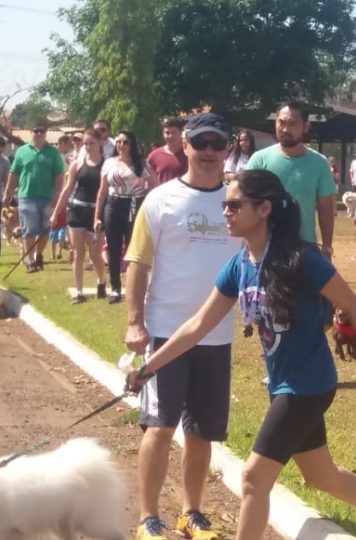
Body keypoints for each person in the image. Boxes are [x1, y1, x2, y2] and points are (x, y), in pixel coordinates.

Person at [125, 169, 356, 540]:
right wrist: (149, 367)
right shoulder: (240, 265)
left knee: (253, 479)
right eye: (224, 205)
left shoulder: (302, 261)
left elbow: (354, 309)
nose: (225, 212)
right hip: (283, 384)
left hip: (308, 385)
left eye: (233, 205)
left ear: (263, 209)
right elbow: (198, 325)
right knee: (320, 476)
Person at [123, 113, 242, 540]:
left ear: (227, 149)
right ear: (185, 146)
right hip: (165, 332)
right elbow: (137, 263)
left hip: (217, 335)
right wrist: (135, 323)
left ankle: (192, 514)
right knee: (159, 427)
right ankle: (148, 518)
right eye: (201, 142)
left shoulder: (236, 201)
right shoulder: (160, 200)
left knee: (202, 432)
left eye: (217, 143)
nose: (209, 151)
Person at [246, 101, 337, 257]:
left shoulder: (320, 163)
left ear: (305, 127)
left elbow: (326, 207)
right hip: (265, 249)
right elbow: (246, 202)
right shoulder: (259, 160)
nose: (285, 129)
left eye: (293, 124)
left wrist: (327, 247)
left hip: (305, 249)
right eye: (281, 123)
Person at [94, 130, 153, 304]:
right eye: (118, 142)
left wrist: (145, 199)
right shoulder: (109, 163)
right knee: (112, 247)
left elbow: (155, 185)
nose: (121, 146)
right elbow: (102, 191)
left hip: (134, 205)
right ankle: (115, 288)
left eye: (125, 142)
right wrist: (97, 217)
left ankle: (134, 287)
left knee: (133, 248)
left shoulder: (140, 164)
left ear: (132, 144)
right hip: (113, 205)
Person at [51, 128, 107, 305]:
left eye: (92, 143)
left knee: (96, 254)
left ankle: (101, 281)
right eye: (86, 144)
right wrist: (56, 213)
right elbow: (67, 190)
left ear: (100, 144)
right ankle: (79, 292)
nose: (89, 147)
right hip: (76, 210)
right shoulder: (77, 164)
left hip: (96, 213)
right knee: (77, 253)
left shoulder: (107, 164)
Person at [2, 123, 66, 273]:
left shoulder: (53, 152)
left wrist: (57, 195)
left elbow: (59, 175)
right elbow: (14, 174)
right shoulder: (22, 151)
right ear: (31, 133)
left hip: (47, 196)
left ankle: (39, 254)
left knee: (44, 230)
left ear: (45, 133)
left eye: (41, 131)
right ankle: (31, 260)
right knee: (28, 230)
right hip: (26, 196)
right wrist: (7, 193)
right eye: (35, 131)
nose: (38, 133)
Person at [146, 117, 188, 189]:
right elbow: (148, 182)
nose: (170, 136)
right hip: (162, 197)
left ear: (181, 133)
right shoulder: (154, 156)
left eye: (174, 132)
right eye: (167, 133)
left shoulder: (189, 154)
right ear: (163, 134)